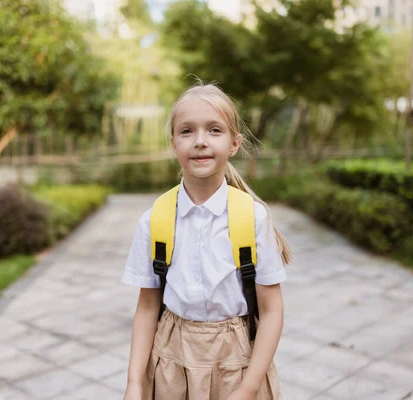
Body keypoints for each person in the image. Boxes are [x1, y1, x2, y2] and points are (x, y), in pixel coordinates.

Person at [121, 81, 292, 400]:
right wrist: (133, 384)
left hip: (238, 366)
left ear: (234, 143)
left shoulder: (253, 218)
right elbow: (146, 309)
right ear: (173, 143)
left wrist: (249, 388)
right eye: (187, 131)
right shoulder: (155, 220)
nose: (200, 141)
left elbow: (271, 311)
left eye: (214, 130)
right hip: (171, 362)